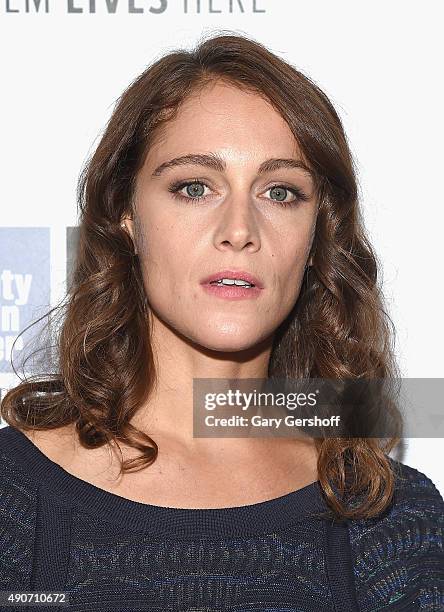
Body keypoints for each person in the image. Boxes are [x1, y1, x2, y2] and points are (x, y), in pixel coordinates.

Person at [0, 32, 442, 611]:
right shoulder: (13, 496)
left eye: (281, 192)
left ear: (316, 238)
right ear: (125, 215)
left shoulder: (385, 514)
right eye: (194, 187)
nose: (240, 228)